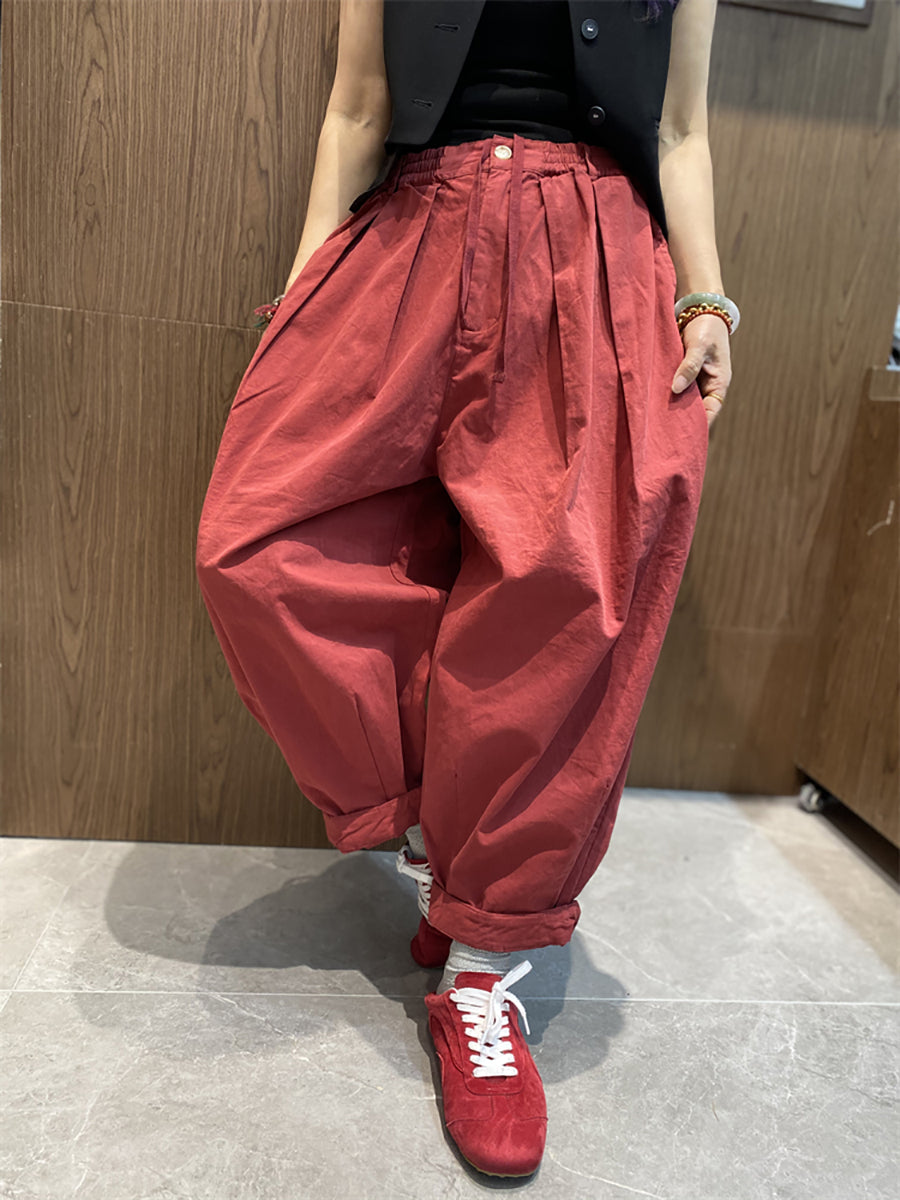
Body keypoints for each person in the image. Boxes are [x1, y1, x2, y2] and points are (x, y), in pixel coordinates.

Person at [195, 0, 731, 1178]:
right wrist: (303, 289)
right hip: (409, 228)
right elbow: (357, 109)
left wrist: (707, 299)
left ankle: (483, 967)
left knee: (563, 603)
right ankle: (445, 847)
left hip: (596, 243)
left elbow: (681, 130)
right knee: (254, 544)